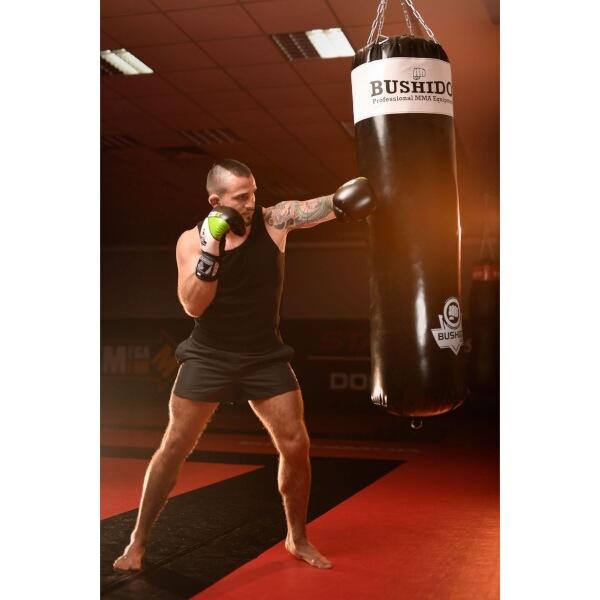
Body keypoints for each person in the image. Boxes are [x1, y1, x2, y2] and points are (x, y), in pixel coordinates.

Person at [113, 159, 375, 572]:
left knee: (296, 444)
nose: (251, 203)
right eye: (240, 197)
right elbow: (193, 306)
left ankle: (297, 537)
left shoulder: (274, 221)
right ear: (215, 201)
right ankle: (137, 542)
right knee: (174, 445)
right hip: (209, 355)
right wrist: (211, 249)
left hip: (263, 356)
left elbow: (319, 207)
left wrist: (347, 199)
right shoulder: (191, 241)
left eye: (253, 192)